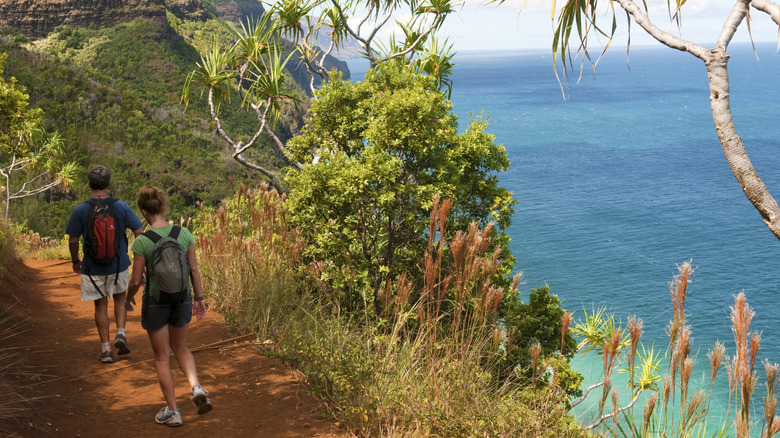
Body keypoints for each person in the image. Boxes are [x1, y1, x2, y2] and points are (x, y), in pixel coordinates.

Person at [126, 185, 212, 427]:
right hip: (183, 298)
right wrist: (199, 297)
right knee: (181, 347)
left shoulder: (142, 241)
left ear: (143, 211)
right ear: (163, 206)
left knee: (162, 357)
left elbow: (136, 280)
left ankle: (173, 411)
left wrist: (127, 298)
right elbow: (194, 269)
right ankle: (196, 387)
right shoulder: (184, 234)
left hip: (156, 302)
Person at [66, 165, 144, 364]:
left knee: (100, 305)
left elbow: (73, 240)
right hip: (118, 265)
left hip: (93, 267)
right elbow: (139, 232)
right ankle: (121, 333)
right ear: (108, 184)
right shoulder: (121, 207)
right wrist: (138, 260)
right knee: (120, 300)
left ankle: (106, 349)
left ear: (89, 184)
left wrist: (76, 261)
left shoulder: (81, 209)